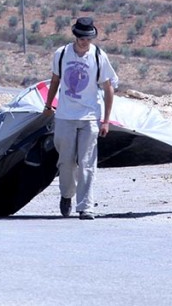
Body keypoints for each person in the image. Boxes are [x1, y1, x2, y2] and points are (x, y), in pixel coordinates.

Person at [43, 17, 116, 220]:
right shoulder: (62, 54)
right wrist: (48, 106)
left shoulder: (99, 56)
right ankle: (67, 195)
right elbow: (55, 81)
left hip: (90, 117)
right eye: (82, 37)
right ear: (76, 35)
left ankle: (85, 206)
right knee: (66, 162)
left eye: (88, 37)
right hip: (65, 115)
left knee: (87, 162)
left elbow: (108, 88)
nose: (85, 41)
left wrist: (106, 120)